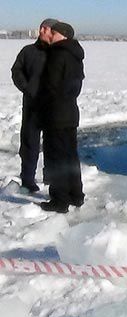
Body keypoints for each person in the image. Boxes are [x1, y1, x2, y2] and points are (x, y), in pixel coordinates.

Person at [38, 22, 85, 213]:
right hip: (70, 112)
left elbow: (51, 85)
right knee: (70, 156)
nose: (51, 34)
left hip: (56, 114)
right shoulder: (75, 54)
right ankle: (76, 195)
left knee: (57, 157)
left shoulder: (58, 53)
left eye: (54, 32)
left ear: (63, 35)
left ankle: (60, 200)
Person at [11, 18, 59, 193]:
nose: (42, 31)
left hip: (53, 107)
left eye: (48, 29)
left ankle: (51, 180)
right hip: (32, 106)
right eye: (43, 28)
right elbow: (16, 71)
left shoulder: (59, 53)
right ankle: (28, 179)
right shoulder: (28, 51)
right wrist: (27, 88)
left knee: (52, 144)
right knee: (30, 143)